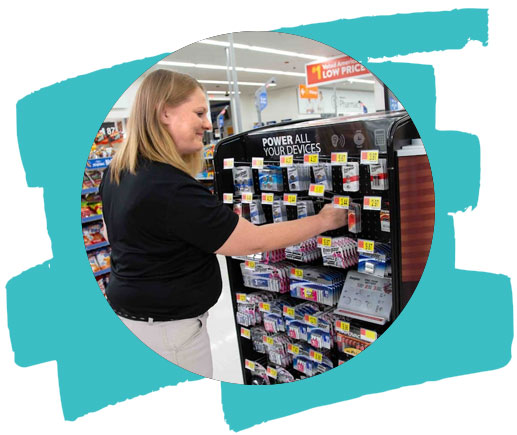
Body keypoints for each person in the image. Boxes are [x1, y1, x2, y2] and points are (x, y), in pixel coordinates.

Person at [99, 69, 347, 379]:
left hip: (130, 317)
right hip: (169, 335)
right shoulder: (170, 187)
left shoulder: (117, 171)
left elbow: (112, 231)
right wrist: (323, 220)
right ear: (164, 112)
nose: (207, 122)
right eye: (199, 112)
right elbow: (254, 242)